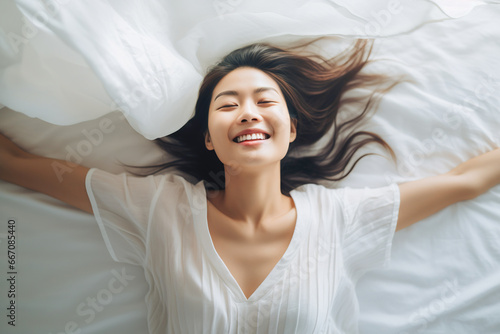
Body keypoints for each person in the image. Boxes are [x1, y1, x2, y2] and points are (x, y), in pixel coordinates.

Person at [0, 39, 499, 334]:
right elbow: (18, 165)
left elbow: (465, 180)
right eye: (227, 104)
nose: (248, 112)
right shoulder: (160, 209)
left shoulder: (340, 219)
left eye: (264, 100)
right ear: (211, 140)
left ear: (292, 128)